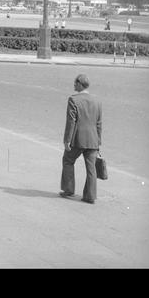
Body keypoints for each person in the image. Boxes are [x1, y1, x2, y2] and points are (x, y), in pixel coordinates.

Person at [59, 74, 102, 204]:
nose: (73, 85)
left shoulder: (73, 100)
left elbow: (71, 122)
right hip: (93, 140)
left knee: (68, 160)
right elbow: (99, 123)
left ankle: (68, 190)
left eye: (75, 83)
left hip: (78, 139)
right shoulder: (97, 101)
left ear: (79, 84)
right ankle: (90, 196)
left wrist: (67, 140)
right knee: (91, 168)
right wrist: (98, 141)